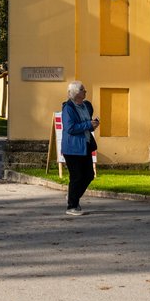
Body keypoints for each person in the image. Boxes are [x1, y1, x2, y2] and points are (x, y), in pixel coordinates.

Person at [61, 81, 98, 216]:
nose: (85, 91)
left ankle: (72, 195)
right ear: (76, 93)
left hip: (86, 145)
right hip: (72, 147)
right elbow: (70, 128)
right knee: (76, 177)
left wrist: (93, 123)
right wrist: (88, 124)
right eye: (83, 89)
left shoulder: (87, 106)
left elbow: (86, 121)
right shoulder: (68, 108)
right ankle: (72, 206)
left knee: (89, 175)